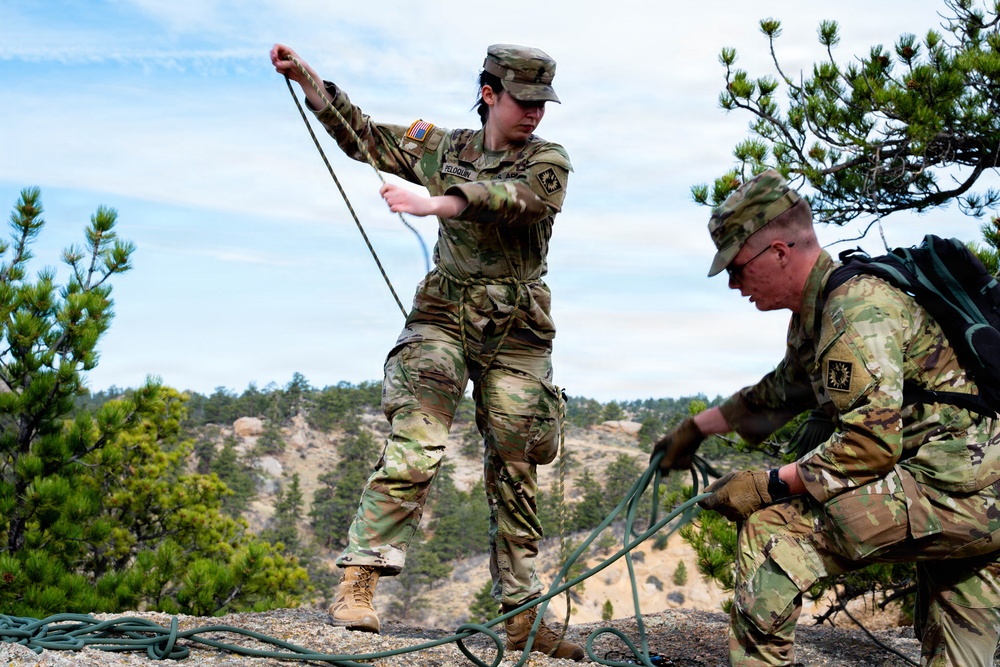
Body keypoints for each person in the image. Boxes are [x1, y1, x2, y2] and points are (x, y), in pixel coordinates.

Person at [270, 43, 583, 660]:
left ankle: (522, 617)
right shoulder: (443, 145)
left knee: (517, 461)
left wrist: (438, 202)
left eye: (542, 103)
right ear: (490, 94)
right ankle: (358, 582)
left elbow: (517, 201)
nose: (535, 115)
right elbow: (366, 137)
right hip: (444, 313)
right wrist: (312, 84)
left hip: (518, 329)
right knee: (418, 437)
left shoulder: (548, 160)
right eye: (523, 101)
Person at [651, 169, 1000, 667]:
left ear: (777, 251)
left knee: (774, 533)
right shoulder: (819, 312)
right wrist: (696, 429)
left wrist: (769, 485)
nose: (732, 283)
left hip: (960, 491)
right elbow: (777, 393)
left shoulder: (854, 309)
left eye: (737, 266)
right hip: (975, 490)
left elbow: (869, 445)